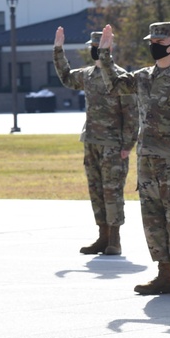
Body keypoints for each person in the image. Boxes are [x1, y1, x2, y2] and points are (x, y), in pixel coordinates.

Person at [97, 22, 170, 296]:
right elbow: (114, 85)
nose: (154, 46)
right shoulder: (143, 77)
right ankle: (164, 274)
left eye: (160, 42)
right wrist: (105, 55)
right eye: (152, 41)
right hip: (147, 162)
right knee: (152, 219)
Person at [53, 28, 138, 256]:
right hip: (91, 140)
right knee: (96, 191)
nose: (93, 51)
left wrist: (128, 144)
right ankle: (102, 236)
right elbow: (67, 78)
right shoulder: (88, 75)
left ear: (109, 49)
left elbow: (132, 114)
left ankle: (115, 239)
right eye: (92, 47)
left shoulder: (120, 77)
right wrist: (58, 50)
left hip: (113, 145)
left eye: (98, 47)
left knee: (112, 192)